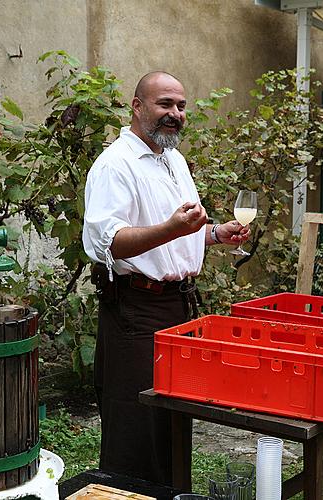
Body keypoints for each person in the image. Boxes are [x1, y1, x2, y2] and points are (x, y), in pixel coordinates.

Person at [82, 71, 250, 486]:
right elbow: (111, 243)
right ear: (137, 107)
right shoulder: (115, 165)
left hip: (177, 306)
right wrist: (173, 229)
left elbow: (174, 239)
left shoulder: (172, 158)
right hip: (135, 313)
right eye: (164, 105)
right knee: (135, 427)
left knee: (172, 423)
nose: (174, 114)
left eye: (180, 106)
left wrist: (213, 234)